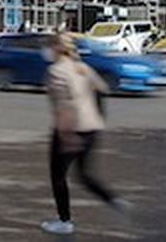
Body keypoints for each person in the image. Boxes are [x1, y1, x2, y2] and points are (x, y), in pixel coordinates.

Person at [40, 33, 127, 236]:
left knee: (58, 176)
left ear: (56, 49)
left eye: (48, 47)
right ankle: (114, 200)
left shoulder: (56, 72)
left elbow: (64, 108)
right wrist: (98, 116)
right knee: (84, 174)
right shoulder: (82, 67)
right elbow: (102, 89)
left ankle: (65, 221)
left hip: (69, 130)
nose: (46, 52)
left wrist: (67, 136)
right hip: (92, 128)